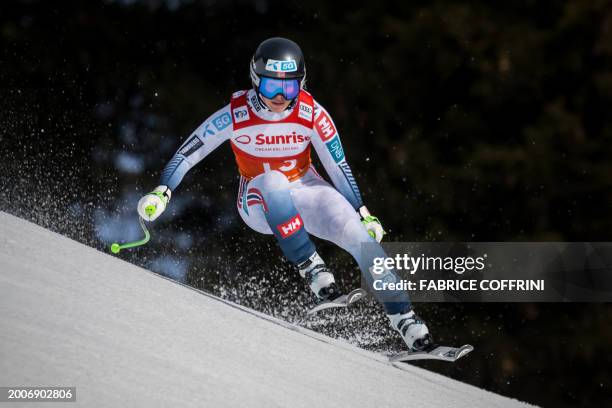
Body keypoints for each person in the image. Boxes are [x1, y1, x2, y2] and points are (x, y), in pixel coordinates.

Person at [137, 37, 432, 351]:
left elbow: (338, 165)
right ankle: (312, 268)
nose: (280, 97)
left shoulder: (311, 113)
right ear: (255, 82)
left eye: (289, 88)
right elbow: (189, 153)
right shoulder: (237, 114)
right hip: (258, 200)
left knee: (361, 237)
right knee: (274, 181)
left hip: (306, 191)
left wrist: (364, 213)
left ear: (301, 84)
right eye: (270, 88)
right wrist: (162, 193)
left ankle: (406, 320)